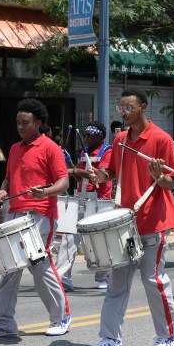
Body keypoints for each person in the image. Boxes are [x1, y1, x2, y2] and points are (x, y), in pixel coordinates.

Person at [85, 87, 174, 346]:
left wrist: (158, 176)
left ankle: (168, 334)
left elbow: (171, 183)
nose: (124, 113)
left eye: (129, 107)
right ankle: (110, 340)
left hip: (154, 219)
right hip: (125, 222)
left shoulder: (161, 139)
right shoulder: (120, 140)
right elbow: (112, 172)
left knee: (152, 280)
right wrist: (100, 176)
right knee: (117, 282)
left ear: (142, 107)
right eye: (120, 108)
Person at [0, 98, 71, 338]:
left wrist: (46, 191)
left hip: (40, 214)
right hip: (15, 213)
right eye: (18, 122)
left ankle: (61, 317)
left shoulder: (50, 148)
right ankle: (2, 322)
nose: (20, 126)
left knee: (39, 266)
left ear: (38, 123)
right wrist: (3, 190)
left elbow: (63, 181)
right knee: (10, 268)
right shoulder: (15, 148)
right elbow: (8, 177)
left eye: (25, 123)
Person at [55, 121, 112, 291]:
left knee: (99, 240)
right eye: (85, 135)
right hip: (81, 198)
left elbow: (98, 175)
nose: (85, 139)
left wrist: (73, 171)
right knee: (69, 238)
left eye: (89, 136)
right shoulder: (84, 152)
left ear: (99, 137)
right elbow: (81, 178)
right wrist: (70, 164)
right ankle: (62, 278)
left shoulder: (107, 151)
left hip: (99, 200)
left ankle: (104, 276)